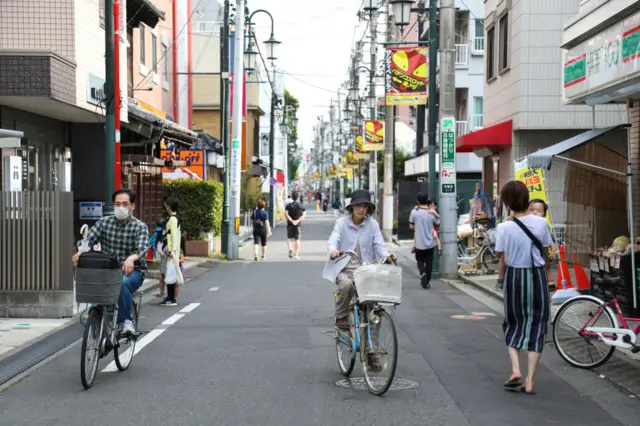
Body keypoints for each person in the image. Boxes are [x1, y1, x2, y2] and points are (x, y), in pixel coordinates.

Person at [496, 181, 554, 395]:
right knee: (537, 324)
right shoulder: (540, 223)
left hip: (514, 277)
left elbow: (500, 254)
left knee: (512, 321)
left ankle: (515, 369)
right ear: (527, 198)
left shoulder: (504, 227)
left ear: (507, 202)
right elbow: (547, 250)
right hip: (536, 275)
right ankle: (530, 381)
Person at [72, 189, 148, 336]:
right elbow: (89, 239)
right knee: (95, 284)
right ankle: (95, 313)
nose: (121, 207)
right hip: (108, 270)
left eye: (125, 204)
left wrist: (131, 258)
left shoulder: (139, 226)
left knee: (123, 283)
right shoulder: (104, 223)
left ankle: (125, 322)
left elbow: (143, 248)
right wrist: (80, 252)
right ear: (113, 206)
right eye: (117, 204)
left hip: (134, 271)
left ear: (133, 206)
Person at [323, 190, 392, 331]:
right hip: (345, 269)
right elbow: (333, 239)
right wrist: (333, 251)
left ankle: (372, 347)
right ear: (352, 207)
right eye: (358, 205)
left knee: (373, 309)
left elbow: (379, 244)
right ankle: (341, 316)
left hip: (367, 270)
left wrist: (387, 256)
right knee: (346, 285)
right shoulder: (341, 223)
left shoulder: (372, 225)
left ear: (368, 208)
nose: (361, 209)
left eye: (365, 206)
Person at [409, 193, 440, 289]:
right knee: (429, 262)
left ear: (417, 201)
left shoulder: (414, 212)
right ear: (427, 200)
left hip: (419, 242)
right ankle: (426, 282)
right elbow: (438, 223)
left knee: (420, 261)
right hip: (430, 242)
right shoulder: (431, 212)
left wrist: (418, 227)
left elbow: (411, 226)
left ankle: (423, 273)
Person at [160, 196, 182, 306]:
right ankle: (170, 298)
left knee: (170, 275)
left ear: (170, 206)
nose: (165, 207)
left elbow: (173, 235)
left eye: (166, 205)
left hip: (172, 252)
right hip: (174, 251)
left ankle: (171, 299)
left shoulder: (172, 219)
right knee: (170, 275)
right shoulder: (175, 218)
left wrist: (171, 250)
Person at [285, 191, 306, 259]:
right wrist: (297, 221)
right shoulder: (301, 205)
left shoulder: (289, 205)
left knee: (289, 238)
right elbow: (304, 215)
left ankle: (290, 249)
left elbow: (286, 214)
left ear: (292, 197)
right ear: (298, 197)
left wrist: (291, 220)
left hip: (290, 224)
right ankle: (296, 254)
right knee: (297, 239)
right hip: (298, 225)